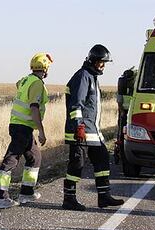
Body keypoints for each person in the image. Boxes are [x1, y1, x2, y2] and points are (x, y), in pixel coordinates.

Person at [63, 44, 124, 211]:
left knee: (103, 159)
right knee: (77, 164)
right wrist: (79, 127)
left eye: (105, 63)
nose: (103, 65)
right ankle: (69, 199)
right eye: (101, 62)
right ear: (93, 61)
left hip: (92, 132)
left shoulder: (92, 77)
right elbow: (76, 105)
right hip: (81, 132)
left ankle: (104, 197)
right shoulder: (83, 77)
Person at [0, 53, 53, 209]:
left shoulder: (26, 80)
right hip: (22, 127)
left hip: (19, 126)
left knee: (35, 157)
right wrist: (41, 131)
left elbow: (18, 83)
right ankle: (1, 197)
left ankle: (27, 193)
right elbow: (34, 108)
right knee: (11, 159)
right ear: (45, 67)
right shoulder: (37, 84)